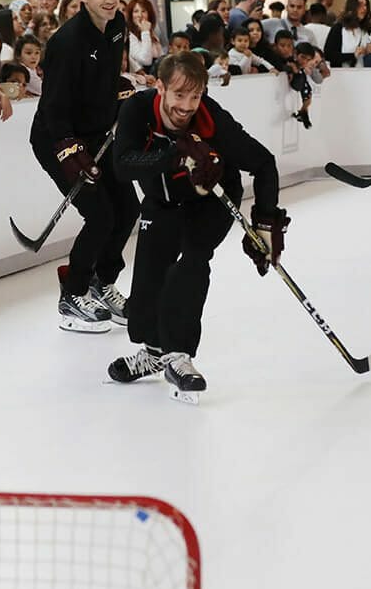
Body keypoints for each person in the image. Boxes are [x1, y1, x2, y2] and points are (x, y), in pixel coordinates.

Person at [105, 51, 286, 403]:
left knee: (190, 263)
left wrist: (265, 222)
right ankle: (154, 352)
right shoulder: (137, 111)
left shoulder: (211, 119)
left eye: (195, 95)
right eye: (178, 95)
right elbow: (123, 166)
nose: (187, 105)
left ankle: (179, 356)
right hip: (162, 201)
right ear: (159, 88)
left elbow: (264, 163)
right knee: (146, 288)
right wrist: (172, 155)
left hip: (211, 201)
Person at [30, 0, 141, 334]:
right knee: (101, 215)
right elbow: (55, 106)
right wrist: (67, 148)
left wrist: (118, 89)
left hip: (97, 134)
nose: (110, 0)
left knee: (128, 208)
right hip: (57, 138)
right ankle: (72, 293)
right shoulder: (66, 42)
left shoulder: (117, 27)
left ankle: (102, 283)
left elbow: (103, 77)